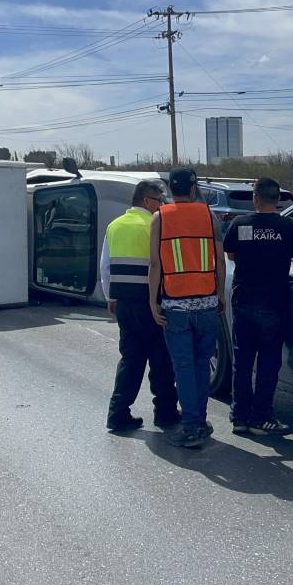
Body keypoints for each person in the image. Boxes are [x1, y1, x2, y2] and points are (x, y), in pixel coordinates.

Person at [222, 177, 293, 435]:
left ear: (255, 198)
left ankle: (239, 417)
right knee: (268, 364)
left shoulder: (240, 224)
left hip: (243, 301)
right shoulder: (288, 226)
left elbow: (231, 254)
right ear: (277, 200)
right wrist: (290, 252)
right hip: (272, 305)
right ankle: (261, 416)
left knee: (242, 362)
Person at [148, 168, 227, 448]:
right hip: (206, 303)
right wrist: (219, 294)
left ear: (171, 188)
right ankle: (200, 420)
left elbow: (155, 263)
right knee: (201, 365)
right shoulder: (210, 216)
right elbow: (219, 259)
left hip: (175, 305)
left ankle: (191, 425)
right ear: (193, 189)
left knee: (183, 367)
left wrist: (152, 300)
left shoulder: (160, 217)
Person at [99, 180, 179, 432]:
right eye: (159, 200)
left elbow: (105, 266)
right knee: (161, 359)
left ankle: (118, 413)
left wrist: (110, 297)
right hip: (150, 303)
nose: (162, 205)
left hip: (123, 303)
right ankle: (165, 413)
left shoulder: (115, 225)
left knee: (131, 359)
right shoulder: (154, 224)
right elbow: (162, 264)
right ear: (147, 200)